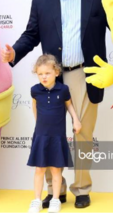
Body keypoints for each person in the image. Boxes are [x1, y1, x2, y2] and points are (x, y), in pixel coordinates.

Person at [1, 0, 109, 208]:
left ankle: (82, 189)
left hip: (85, 74)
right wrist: (14, 52)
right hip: (52, 79)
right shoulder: (41, 0)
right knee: (49, 134)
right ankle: (54, 191)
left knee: (82, 134)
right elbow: (31, 35)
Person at [27, 54, 81, 213]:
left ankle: (56, 199)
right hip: (41, 136)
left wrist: (75, 120)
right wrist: (39, 124)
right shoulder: (35, 90)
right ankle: (36, 199)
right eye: (40, 74)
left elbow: (69, 106)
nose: (43, 77)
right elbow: (34, 107)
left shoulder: (63, 89)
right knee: (39, 169)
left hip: (57, 136)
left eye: (47, 73)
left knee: (56, 170)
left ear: (56, 72)